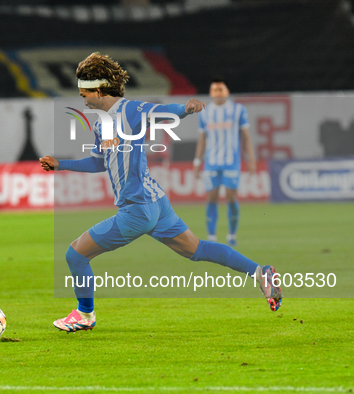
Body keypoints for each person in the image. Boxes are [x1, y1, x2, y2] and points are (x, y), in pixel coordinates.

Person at [39, 53, 281, 333]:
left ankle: (84, 315)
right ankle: (260, 272)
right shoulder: (99, 123)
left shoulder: (130, 109)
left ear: (100, 89)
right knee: (198, 249)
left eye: (85, 94)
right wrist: (61, 164)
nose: (83, 100)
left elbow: (159, 113)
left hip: (137, 210)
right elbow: (98, 162)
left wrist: (186, 110)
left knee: (76, 255)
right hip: (157, 204)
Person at [193, 77, 256, 246]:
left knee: (231, 197)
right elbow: (202, 139)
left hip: (231, 161)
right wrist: (197, 161)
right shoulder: (205, 112)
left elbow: (246, 136)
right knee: (211, 197)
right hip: (212, 161)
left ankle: (232, 235)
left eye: (221, 91)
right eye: (215, 91)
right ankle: (212, 236)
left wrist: (251, 159)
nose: (218, 95)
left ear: (227, 92)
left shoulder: (238, 110)